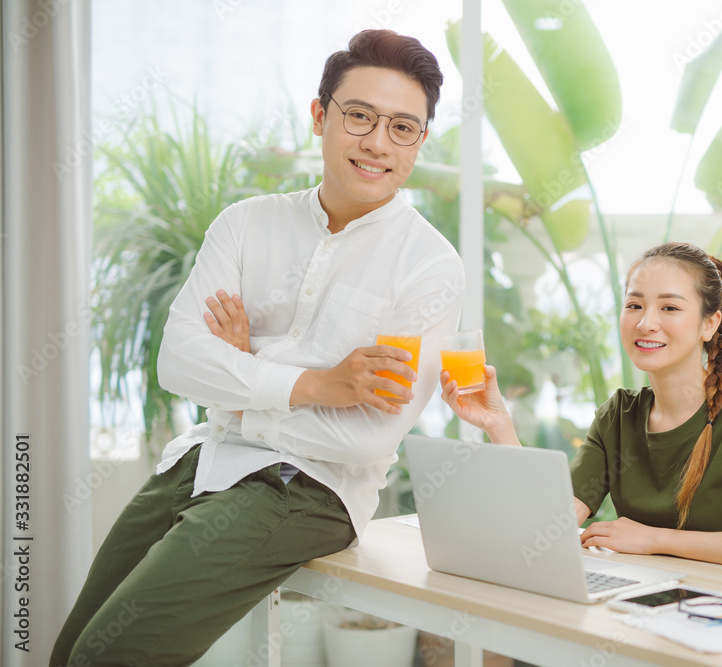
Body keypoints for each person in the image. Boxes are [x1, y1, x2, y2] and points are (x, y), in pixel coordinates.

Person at [51, 29, 463, 666]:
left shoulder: (429, 266)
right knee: (71, 654)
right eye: (359, 116)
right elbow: (178, 361)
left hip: (307, 490)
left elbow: (370, 440)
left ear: (421, 139)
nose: (379, 143)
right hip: (201, 462)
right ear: (320, 116)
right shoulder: (246, 224)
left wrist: (240, 382)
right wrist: (320, 384)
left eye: (403, 127)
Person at [441, 242, 722, 571]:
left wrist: (655, 539)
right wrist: (498, 426)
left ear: (709, 324)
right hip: (643, 604)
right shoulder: (618, 416)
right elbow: (552, 523)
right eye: (634, 305)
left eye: (669, 307)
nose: (646, 323)